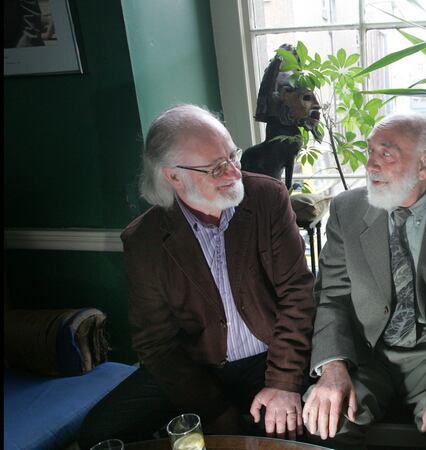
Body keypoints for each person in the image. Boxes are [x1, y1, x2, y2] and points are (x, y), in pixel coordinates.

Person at [78, 104, 316, 448]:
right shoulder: (144, 240)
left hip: (269, 357)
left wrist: (283, 382)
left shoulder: (267, 198)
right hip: (195, 366)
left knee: (303, 429)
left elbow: (298, 293)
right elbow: (155, 342)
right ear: (173, 176)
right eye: (217, 167)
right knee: (99, 435)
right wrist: (212, 409)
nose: (234, 172)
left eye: (233, 155)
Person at [302, 112, 426, 450]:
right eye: (369, 152)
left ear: (425, 165)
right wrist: (333, 367)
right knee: (324, 424)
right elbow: (332, 296)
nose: (370, 165)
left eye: (385, 154)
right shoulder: (346, 210)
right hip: (366, 352)